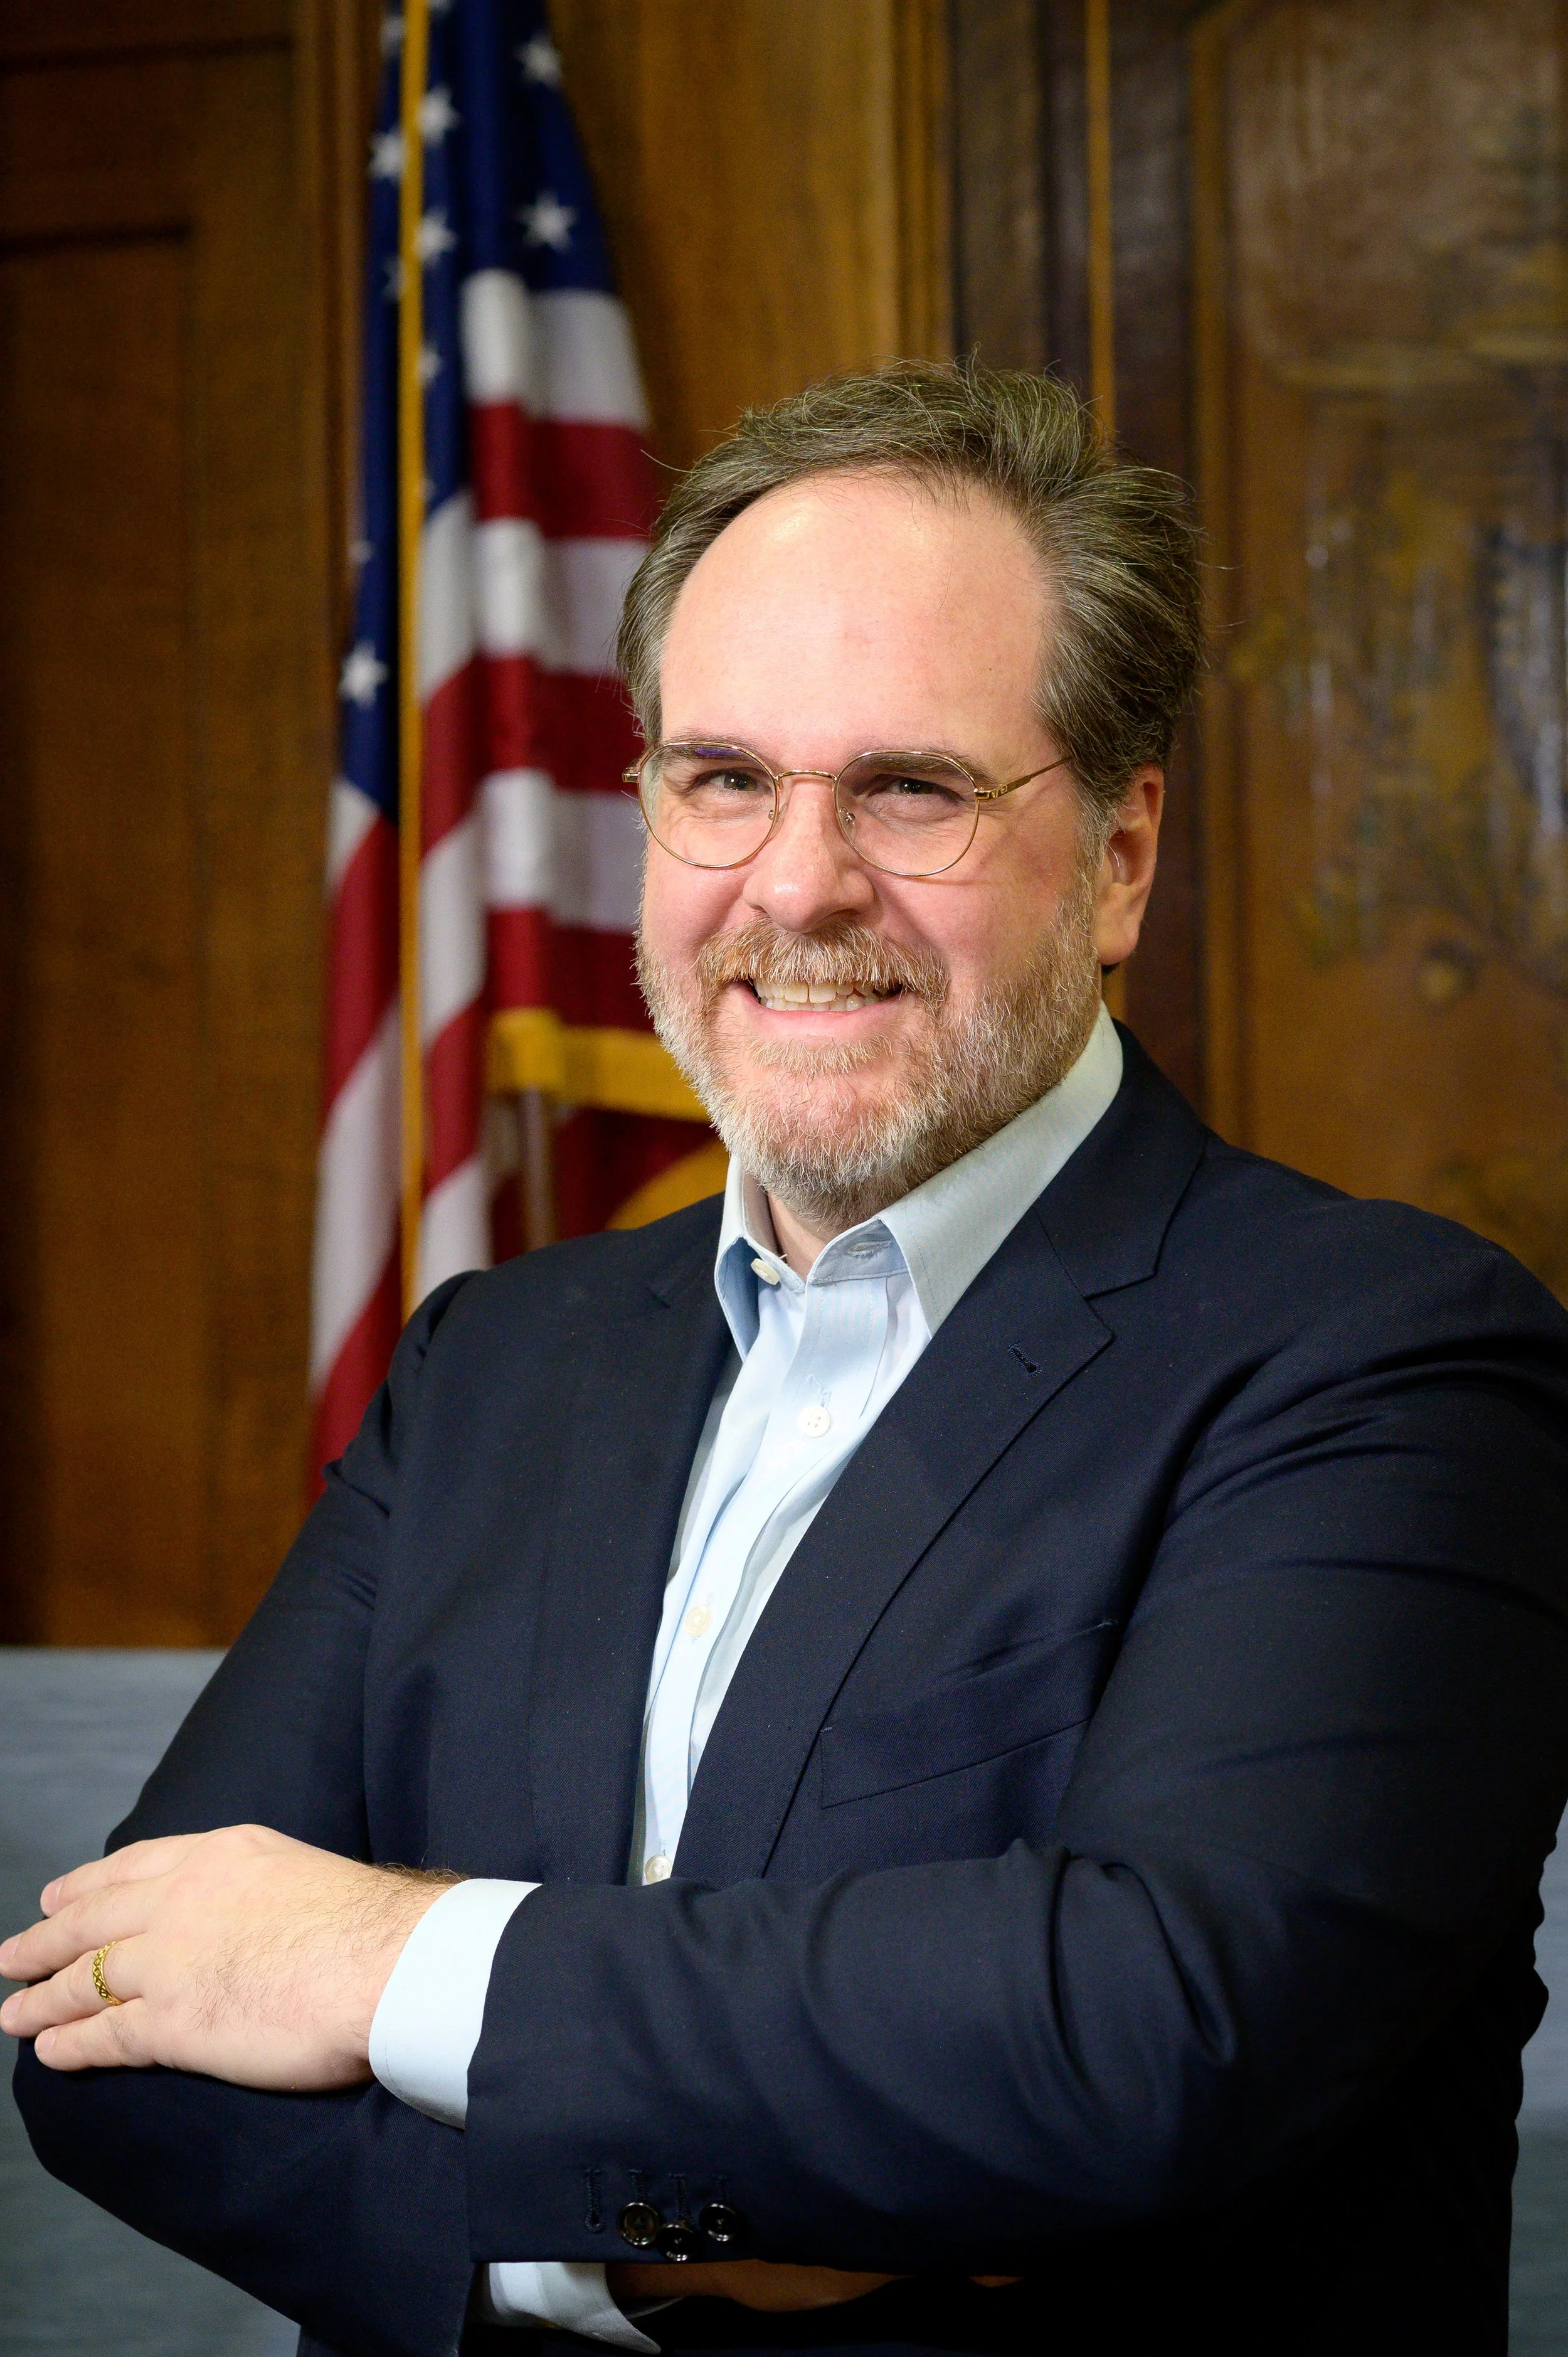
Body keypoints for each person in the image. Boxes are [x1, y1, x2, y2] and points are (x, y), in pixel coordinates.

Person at [7, 362, 1568, 2357]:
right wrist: (660, 2241)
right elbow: (101, 2025)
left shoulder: (1382, 1363)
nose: (797, 882)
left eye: (908, 787)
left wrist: (380, 1957)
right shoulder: (495, 1361)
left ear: (1115, 853)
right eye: (722, 777)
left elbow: (1146, 2025)